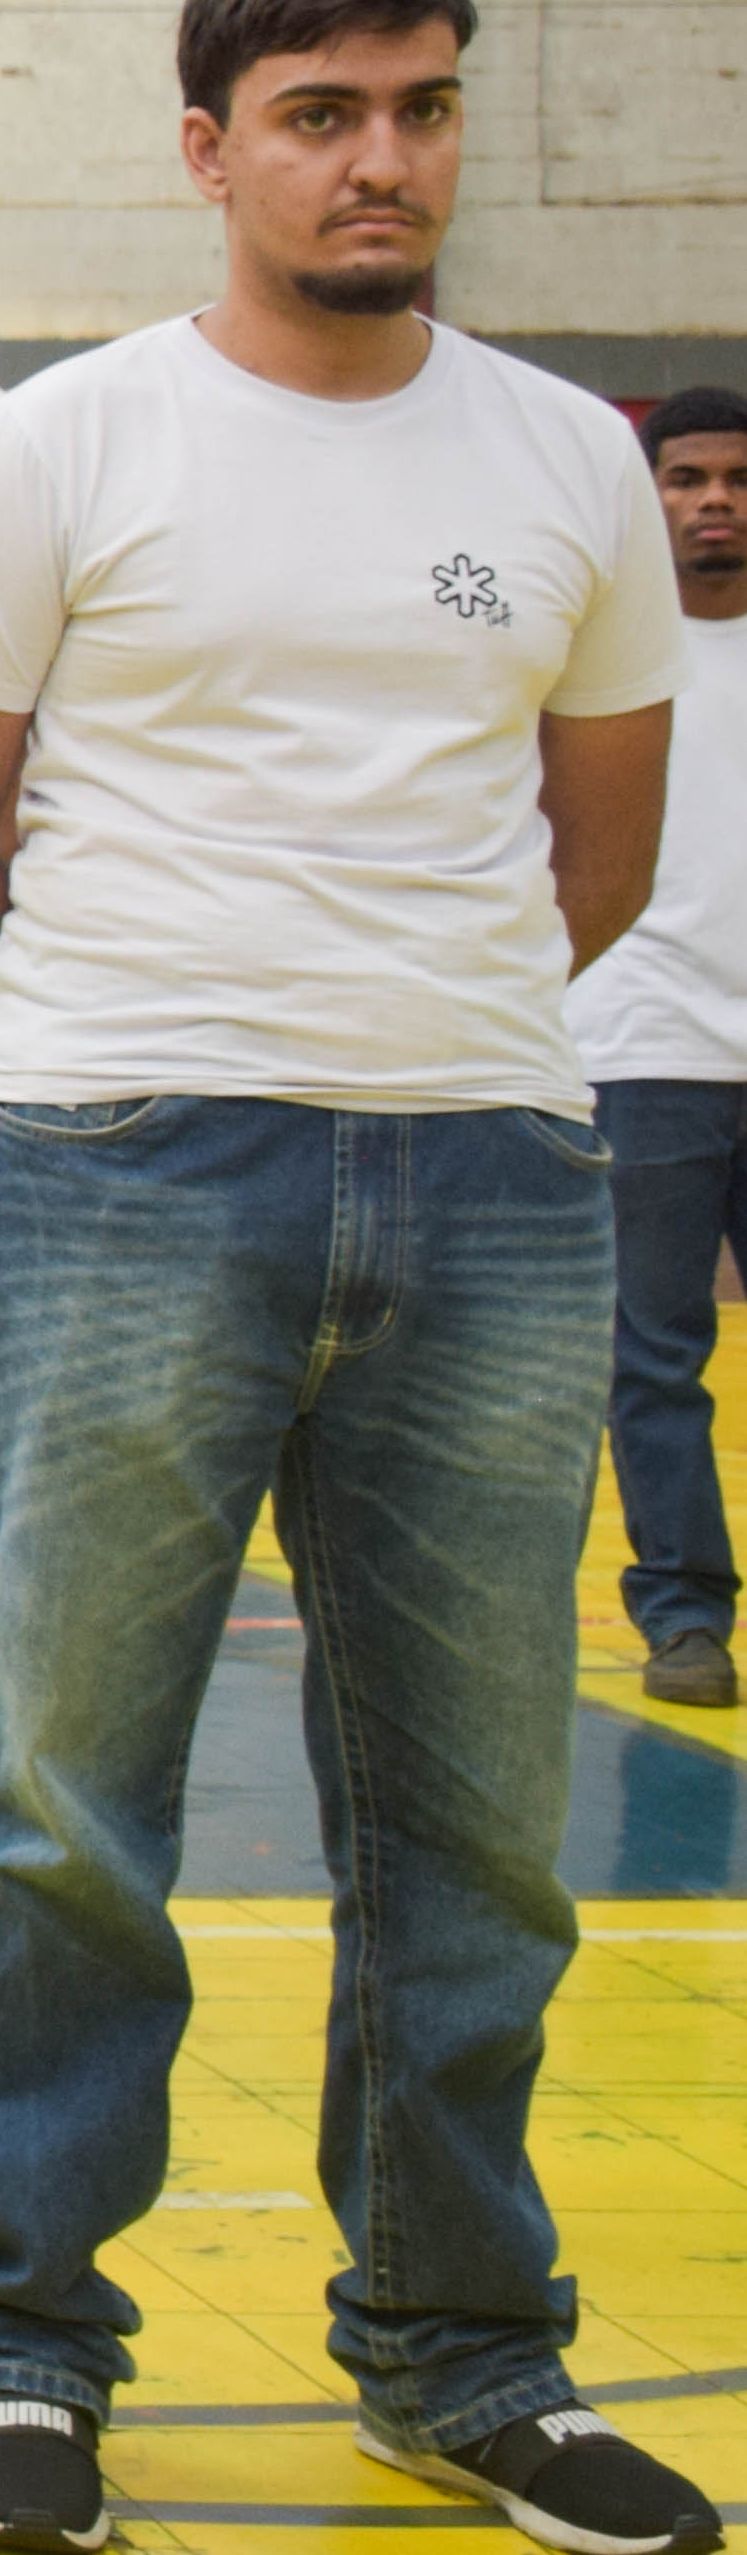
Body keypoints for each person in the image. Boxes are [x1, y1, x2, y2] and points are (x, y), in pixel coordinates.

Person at [0, 0, 719, 2555]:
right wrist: (127, 1044)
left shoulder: (567, 460)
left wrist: (404, 1028)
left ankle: (466, 2352)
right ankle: (24, 2341)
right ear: (208, 148)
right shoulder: (62, 447)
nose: (381, 158)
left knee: (477, 1819)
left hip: (491, 1175)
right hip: (109, 1165)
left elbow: (595, 854)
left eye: (422, 106)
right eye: (323, 113)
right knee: (64, 1799)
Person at [574, 386, 747, 1709]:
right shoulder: (607, 648)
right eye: (686, 479)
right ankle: (687, 1616)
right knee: (654, 1355)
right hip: (647, 1047)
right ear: (651, 494)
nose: (715, 502)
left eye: (736, 479)